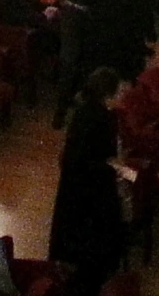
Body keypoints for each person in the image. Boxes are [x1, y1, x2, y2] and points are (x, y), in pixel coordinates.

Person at [50, 69, 130, 296]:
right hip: (90, 194)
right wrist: (112, 168)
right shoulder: (99, 118)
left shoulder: (86, 113)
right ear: (108, 94)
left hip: (79, 189)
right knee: (94, 250)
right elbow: (91, 159)